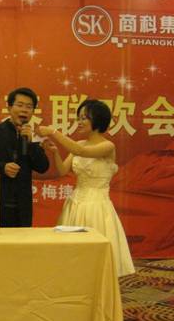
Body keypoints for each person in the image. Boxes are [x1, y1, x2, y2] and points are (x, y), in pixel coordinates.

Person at [35, 99, 135, 277]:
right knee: (72, 258)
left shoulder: (107, 146)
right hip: (75, 204)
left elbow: (82, 153)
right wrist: (55, 152)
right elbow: (63, 170)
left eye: (84, 118)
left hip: (97, 207)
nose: (79, 122)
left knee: (96, 259)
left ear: (97, 120)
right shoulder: (79, 144)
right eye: (78, 118)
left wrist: (53, 132)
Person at [0, 87, 49, 227]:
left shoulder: (33, 137)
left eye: (29, 107)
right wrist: (2, 167)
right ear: (9, 107)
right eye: (20, 105)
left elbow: (43, 167)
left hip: (22, 207)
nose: (24, 110)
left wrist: (30, 144)